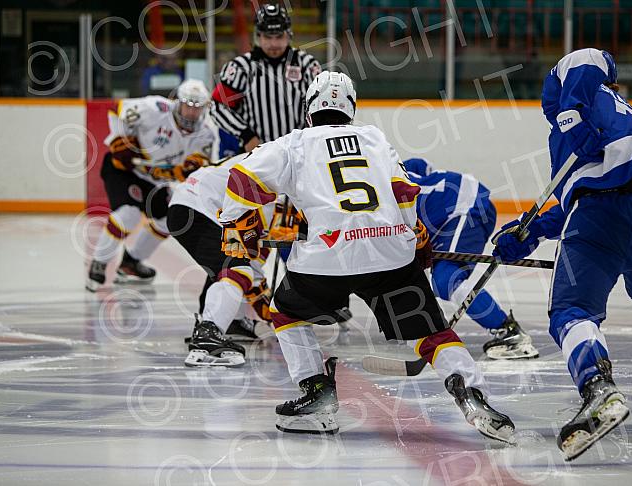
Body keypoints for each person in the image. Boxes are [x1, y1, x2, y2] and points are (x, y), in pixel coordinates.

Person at [216, 71, 516, 443]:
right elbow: (405, 191)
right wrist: (416, 237)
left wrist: (236, 222)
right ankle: (472, 392)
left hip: (327, 256)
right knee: (432, 331)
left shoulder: (294, 143)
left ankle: (317, 393)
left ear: (308, 110)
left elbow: (242, 176)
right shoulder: (374, 137)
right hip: (390, 253)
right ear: (351, 109)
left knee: (286, 311)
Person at [493, 48, 632, 460]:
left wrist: (572, 115)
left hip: (603, 217)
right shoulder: (621, 116)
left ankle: (597, 388)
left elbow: (587, 59)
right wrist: (527, 234)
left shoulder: (586, 101)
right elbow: (573, 200)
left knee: (571, 311)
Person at [86, 79, 219, 291]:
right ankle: (99, 262)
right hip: (124, 171)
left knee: (170, 221)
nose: (192, 113)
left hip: (155, 181)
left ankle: (131, 262)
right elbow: (117, 110)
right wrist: (121, 140)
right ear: (178, 102)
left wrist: (188, 169)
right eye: (188, 106)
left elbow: (198, 165)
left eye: (198, 108)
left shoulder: (206, 133)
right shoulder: (155, 108)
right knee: (128, 214)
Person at [403, 157, 539, 360]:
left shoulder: (380, 196)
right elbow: (419, 164)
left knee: (446, 280)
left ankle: (508, 332)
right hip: (456, 209)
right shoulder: (392, 168)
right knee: (442, 279)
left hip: (464, 208)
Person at [167, 153, 277, 366]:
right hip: (198, 209)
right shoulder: (279, 188)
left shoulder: (272, 160)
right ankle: (208, 332)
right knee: (238, 269)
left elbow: (252, 247)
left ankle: (231, 321)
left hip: (189, 205)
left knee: (225, 269)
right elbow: (252, 253)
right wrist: (267, 304)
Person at [210, 3, 321, 151]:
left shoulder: (307, 65)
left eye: (279, 36)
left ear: (288, 35)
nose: (273, 43)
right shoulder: (240, 67)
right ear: (258, 36)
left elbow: (322, 106)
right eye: (268, 37)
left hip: (299, 153)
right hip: (256, 156)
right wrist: (246, 135)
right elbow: (217, 107)